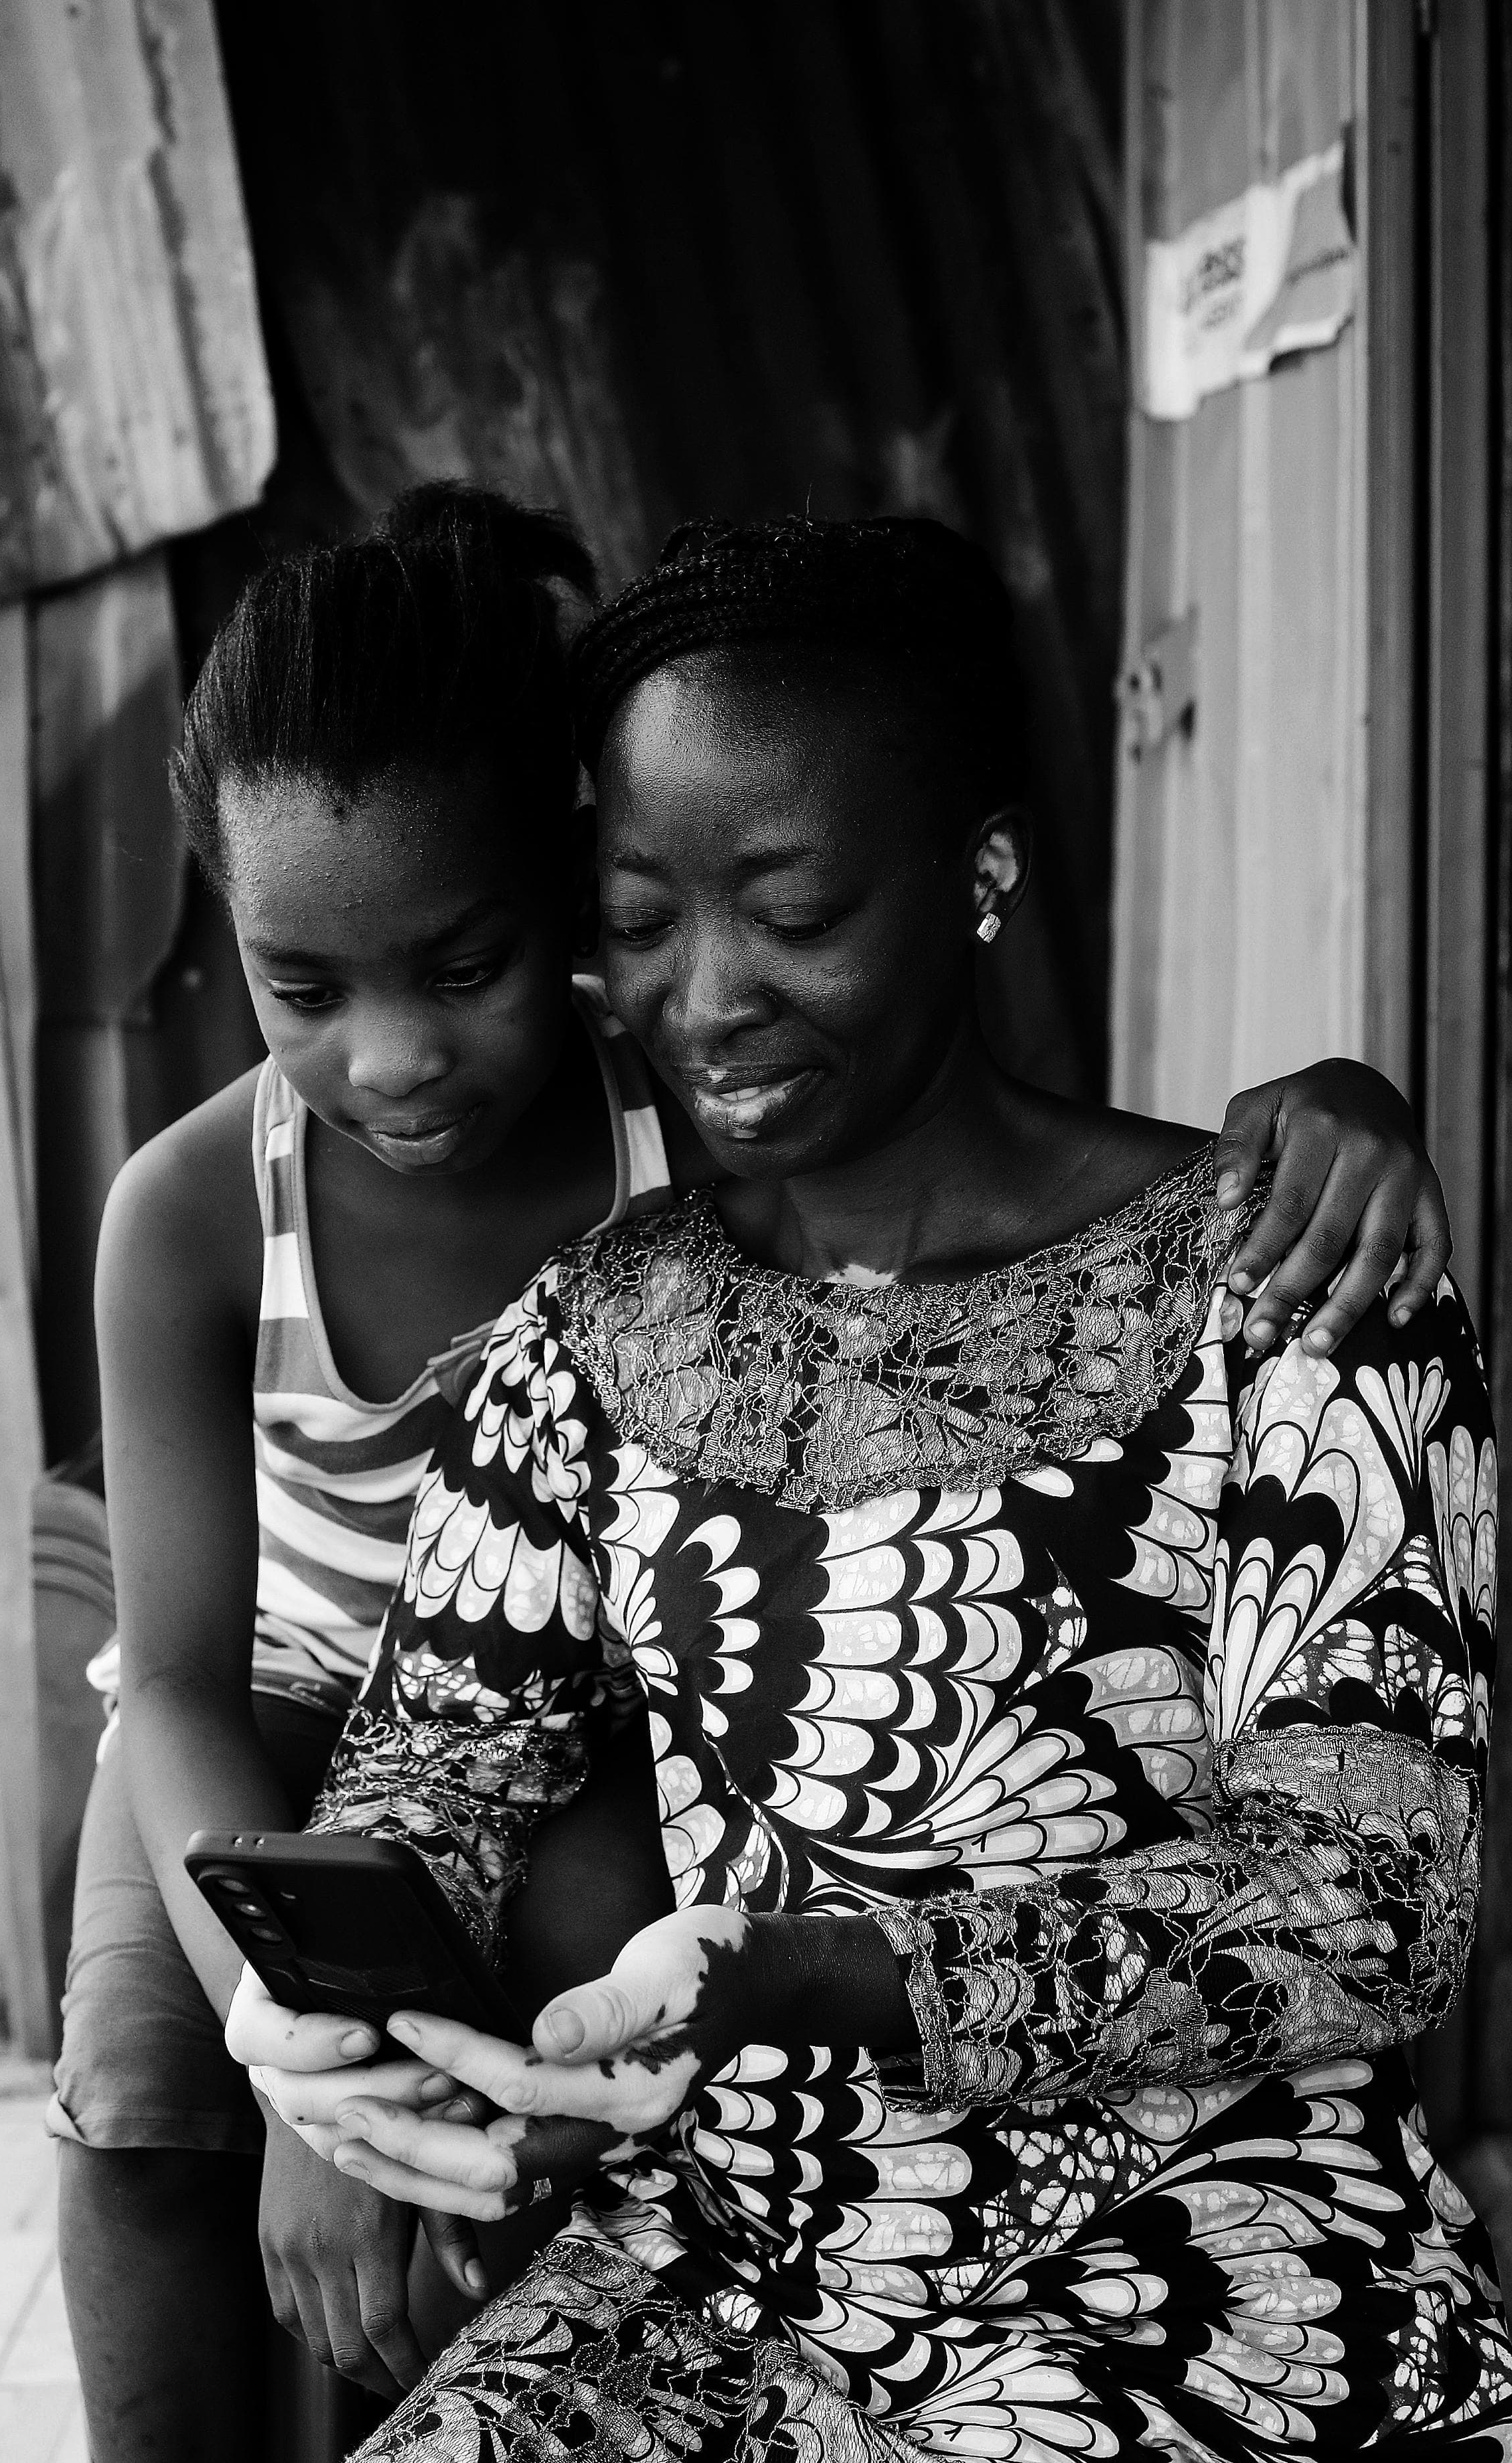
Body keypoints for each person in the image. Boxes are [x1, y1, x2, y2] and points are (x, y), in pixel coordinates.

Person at [241, 516, 1508, 2462]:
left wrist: (806, 1975)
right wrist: (328, 2011)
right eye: (643, 918)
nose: (709, 994)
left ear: (979, 872)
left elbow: (1371, 1901)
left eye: (792, 908)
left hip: (1203, 2263)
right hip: (725, 2260)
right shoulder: (596, 1329)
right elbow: (440, 1761)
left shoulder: (1289, 1287)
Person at [55, 486, 682, 2463]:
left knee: (526, 2128)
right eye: (303, 990)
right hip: (259, 1726)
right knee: (149, 2100)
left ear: (564, 883)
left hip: (584, 1731)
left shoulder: (688, 1150)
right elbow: (171, 1682)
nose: (393, 1057)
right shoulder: (189, 1216)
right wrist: (285, 2033)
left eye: (464, 963)